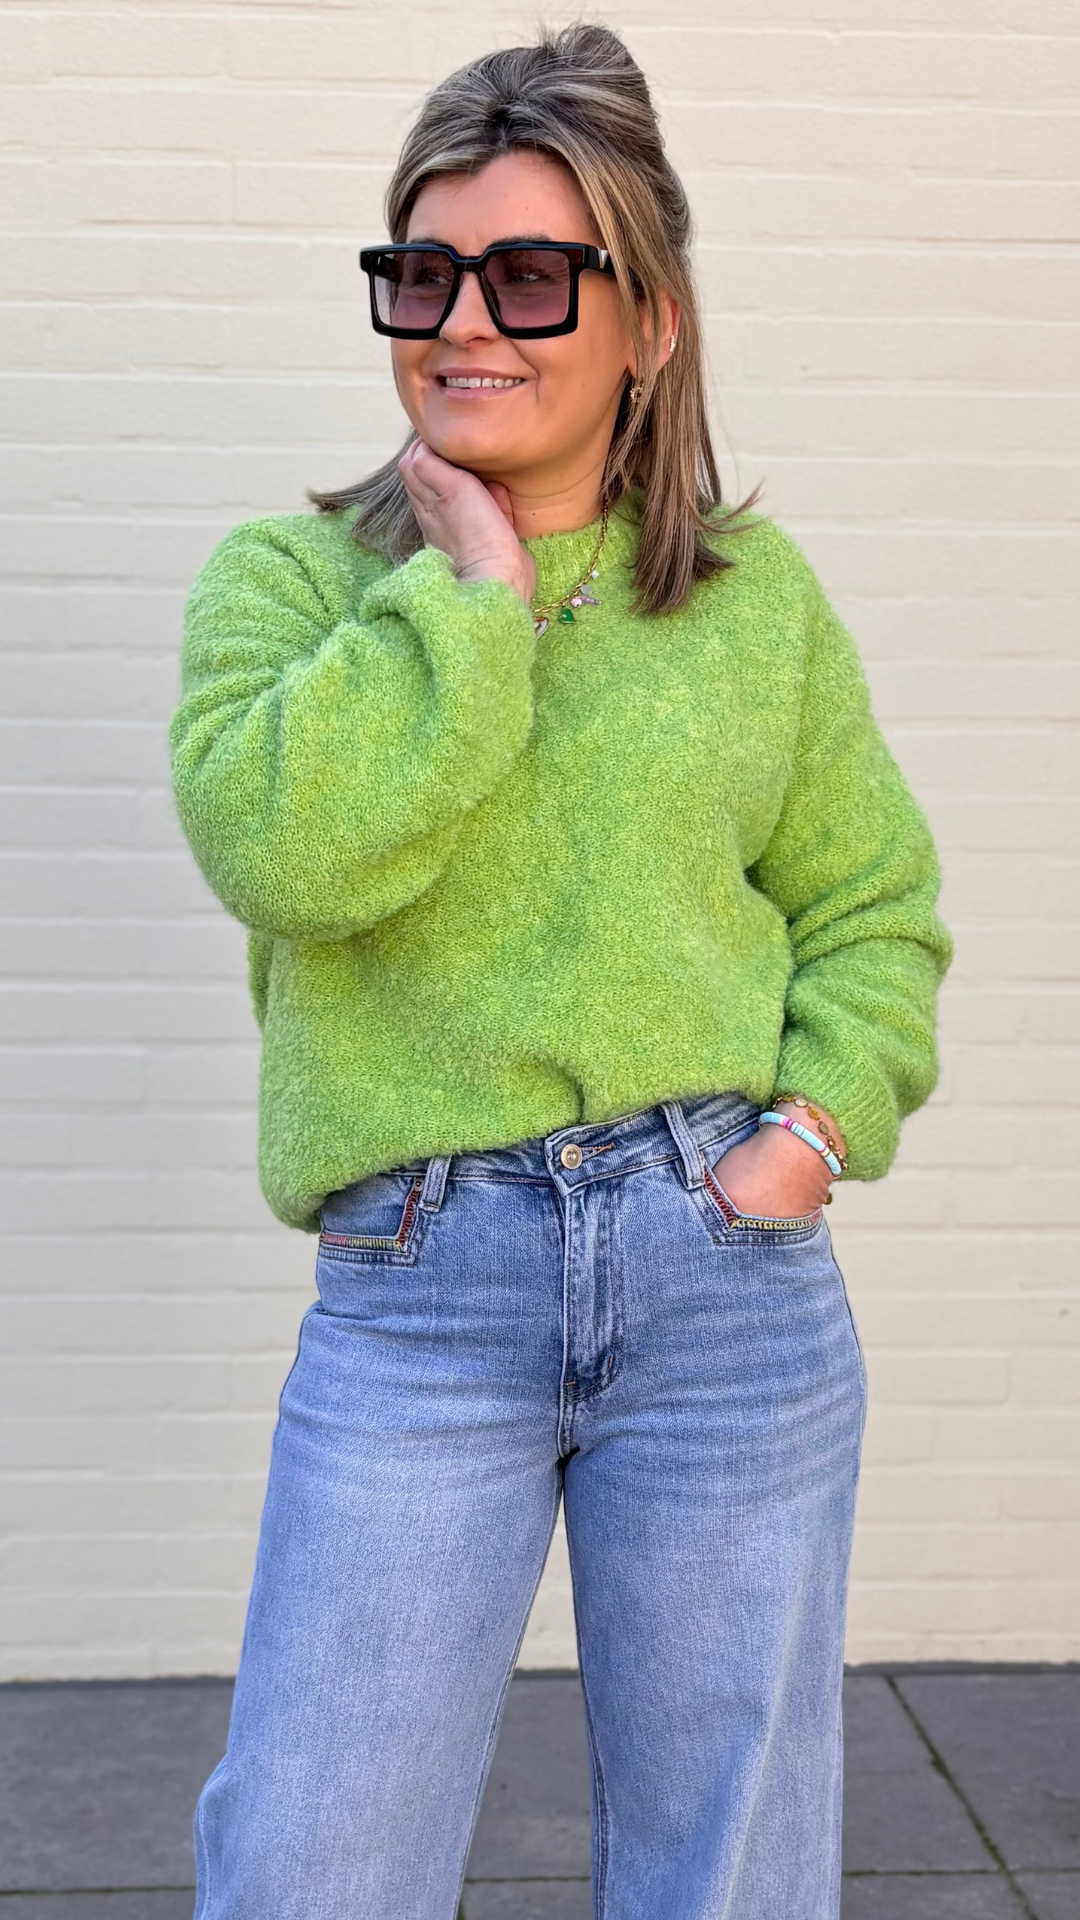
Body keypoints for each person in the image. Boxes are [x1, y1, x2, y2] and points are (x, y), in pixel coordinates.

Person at [170, 22, 952, 1919]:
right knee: (310, 1861)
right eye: (423, 274)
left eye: (529, 276)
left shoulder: (750, 606)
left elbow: (873, 910)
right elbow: (282, 854)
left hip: (723, 1285)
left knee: (725, 1870)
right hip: (422, 1292)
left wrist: (803, 1143)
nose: (465, 323)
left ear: (648, 319)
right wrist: (473, 599)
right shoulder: (295, 585)